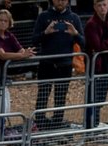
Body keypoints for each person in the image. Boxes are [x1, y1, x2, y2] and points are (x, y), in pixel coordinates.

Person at [31, 0, 85, 130]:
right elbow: (34, 40)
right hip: (46, 63)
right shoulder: (43, 16)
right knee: (43, 94)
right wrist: (46, 33)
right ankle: (40, 122)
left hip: (65, 64)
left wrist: (75, 34)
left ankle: (57, 123)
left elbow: (84, 42)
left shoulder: (74, 18)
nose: (60, 2)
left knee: (61, 96)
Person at [84, 0, 108, 128]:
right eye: (99, 5)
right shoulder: (91, 24)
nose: (102, 8)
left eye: (104, 5)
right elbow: (97, 46)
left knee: (102, 95)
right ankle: (90, 124)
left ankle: (95, 121)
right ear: (94, 7)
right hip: (95, 65)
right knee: (94, 95)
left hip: (106, 62)